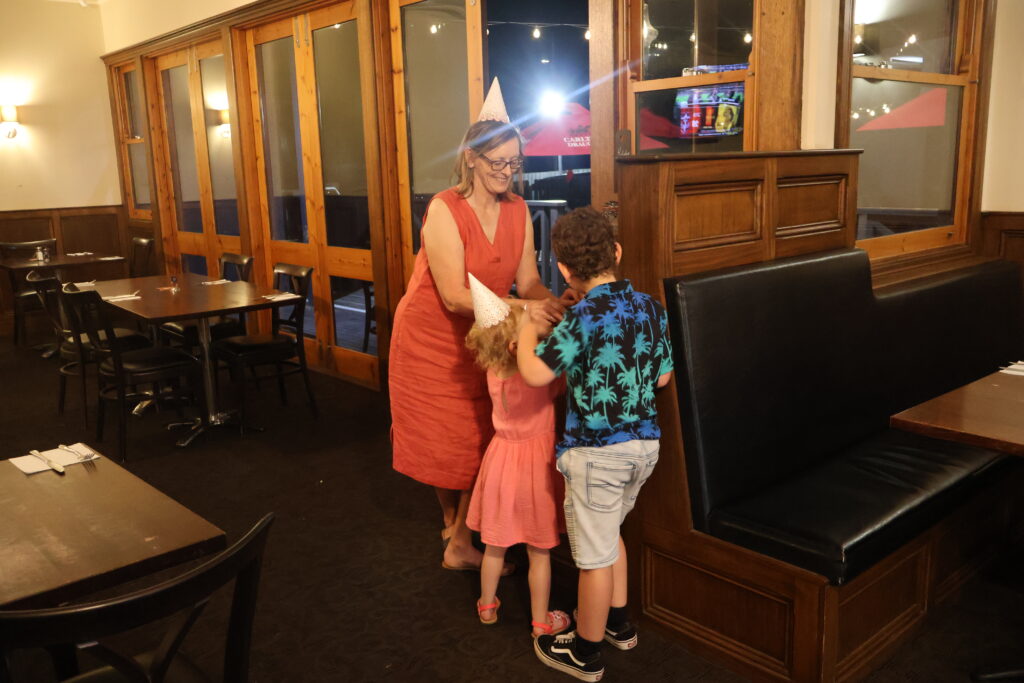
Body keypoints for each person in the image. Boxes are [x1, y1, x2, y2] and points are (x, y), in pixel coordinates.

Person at [390, 79, 575, 573]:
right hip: (432, 338)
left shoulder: (518, 210)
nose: (507, 173)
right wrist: (522, 311)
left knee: (483, 432)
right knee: (444, 436)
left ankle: (460, 532)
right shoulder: (444, 210)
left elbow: (529, 280)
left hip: (487, 339)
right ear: (470, 158)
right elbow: (453, 295)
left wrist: (552, 302)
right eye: (497, 163)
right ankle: (456, 528)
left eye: (515, 163)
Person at [516, 207, 674, 682]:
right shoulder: (649, 307)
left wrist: (527, 327)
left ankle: (585, 653)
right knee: (610, 537)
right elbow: (663, 377)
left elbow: (535, 372)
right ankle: (619, 625)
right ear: (617, 253)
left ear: (564, 269)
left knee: (592, 559)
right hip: (645, 449)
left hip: (596, 455)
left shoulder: (578, 320)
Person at [463, 273, 571, 638]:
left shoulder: (493, 372)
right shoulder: (534, 372)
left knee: (495, 545)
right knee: (539, 551)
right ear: (515, 343)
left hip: (500, 460)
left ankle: (487, 604)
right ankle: (541, 621)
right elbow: (560, 382)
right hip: (535, 465)